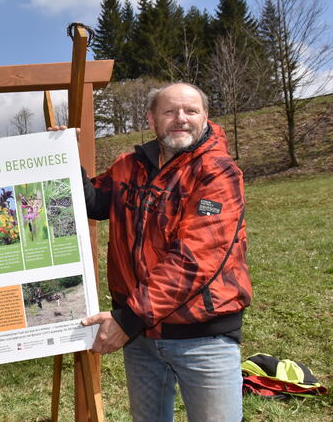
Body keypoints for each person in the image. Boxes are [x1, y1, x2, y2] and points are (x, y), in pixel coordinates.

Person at [50, 83, 252, 422]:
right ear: (151, 118)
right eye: (170, 111)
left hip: (203, 338)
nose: (181, 119)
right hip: (142, 339)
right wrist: (62, 155)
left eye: (191, 111)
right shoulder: (131, 165)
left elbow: (194, 259)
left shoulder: (217, 171)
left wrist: (127, 320)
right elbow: (95, 201)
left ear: (205, 117)